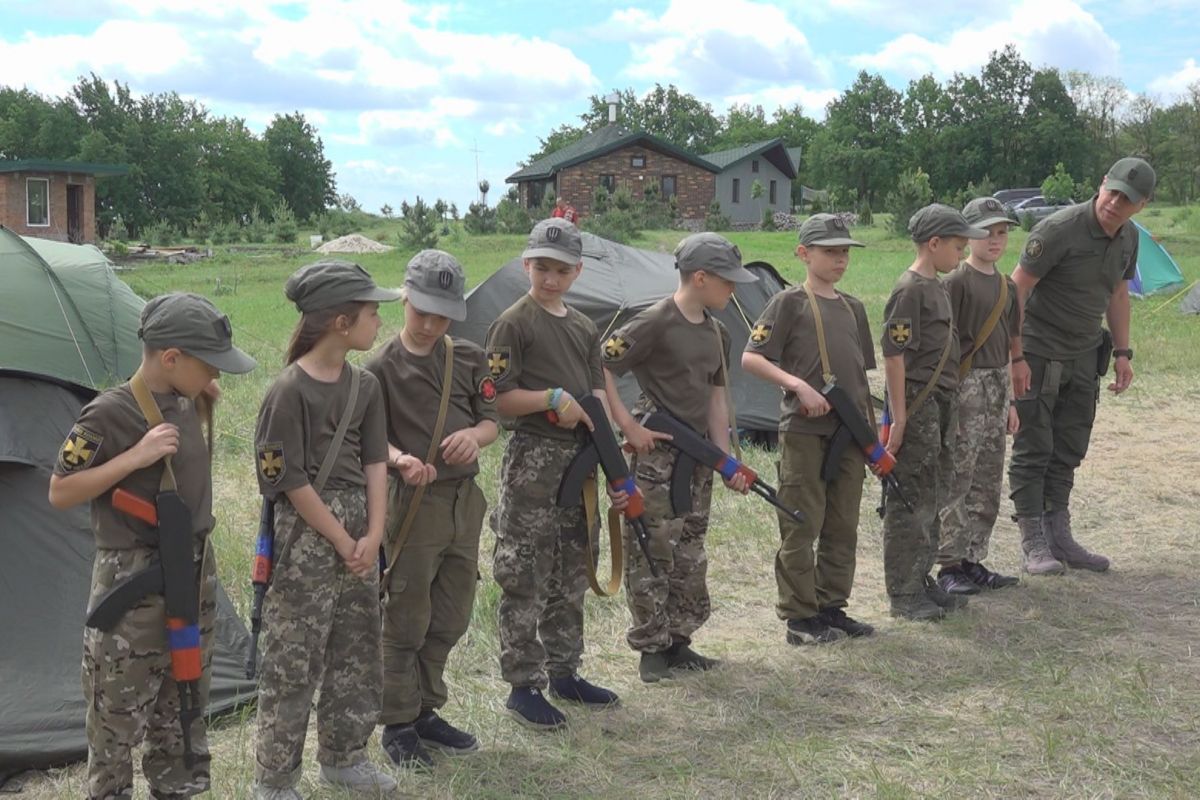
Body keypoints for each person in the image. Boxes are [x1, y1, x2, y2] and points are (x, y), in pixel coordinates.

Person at [48, 292, 257, 799]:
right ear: (171, 359)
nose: (217, 376)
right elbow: (60, 490)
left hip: (192, 577)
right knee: (116, 717)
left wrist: (201, 391)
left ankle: (179, 788)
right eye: (209, 364)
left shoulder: (186, 395)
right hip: (134, 587)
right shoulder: (110, 413)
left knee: (183, 704)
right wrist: (134, 457)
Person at [251, 260, 400, 800]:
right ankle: (274, 778)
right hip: (307, 540)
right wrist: (343, 540)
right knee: (293, 660)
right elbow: (287, 480)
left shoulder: (366, 385)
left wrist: (376, 534)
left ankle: (344, 758)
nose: (379, 322)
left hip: (362, 530)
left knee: (357, 652)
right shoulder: (286, 391)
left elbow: (375, 461)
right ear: (341, 323)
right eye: (371, 312)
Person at [365, 250, 499, 767]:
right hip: (413, 504)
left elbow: (491, 420)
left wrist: (473, 436)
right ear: (404, 296)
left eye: (441, 315)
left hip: (464, 503)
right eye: (421, 311)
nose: (429, 324)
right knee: (404, 615)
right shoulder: (379, 368)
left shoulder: (467, 358)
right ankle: (397, 722)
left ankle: (426, 709)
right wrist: (401, 460)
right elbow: (370, 441)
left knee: (451, 612)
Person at [485, 218, 619, 731]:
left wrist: (607, 446)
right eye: (542, 267)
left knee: (573, 565)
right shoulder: (513, 323)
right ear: (526, 264)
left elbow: (596, 394)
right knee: (525, 569)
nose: (550, 278)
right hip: (534, 459)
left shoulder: (584, 327)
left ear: (578, 272)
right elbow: (497, 400)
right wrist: (549, 400)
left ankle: (565, 672)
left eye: (561, 270)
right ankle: (523, 685)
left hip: (579, 461)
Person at [601, 232, 753, 682]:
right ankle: (651, 650)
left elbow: (716, 398)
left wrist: (724, 459)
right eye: (728, 281)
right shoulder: (655, 321)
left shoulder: (717, 331)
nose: (734, 290)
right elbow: (600, 365)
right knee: (653, 550)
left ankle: (679, 642)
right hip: (659, 458)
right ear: (701, 278)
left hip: (699, 459)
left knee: (690, 551)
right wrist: (628, 426)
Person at [1008, 158, 1154, 574]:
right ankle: (1033, 540)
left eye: (1127, 199)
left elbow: (1118, 295)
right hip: (1038, 352)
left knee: (1069, 447)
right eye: (1113, 191)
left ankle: (1060, 535)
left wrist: (1123, 353)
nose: (1114, 203)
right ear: (1102, 182)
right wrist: (1014, 357)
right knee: (1033, 447)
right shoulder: (1058, 230)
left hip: (1084, 356)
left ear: (1140, 205)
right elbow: (1016, 291)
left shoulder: (1129, 237)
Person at [741, 214, 877, 644]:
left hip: (850, 432)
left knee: (842, 523)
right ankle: (800, 617)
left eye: (844, 252)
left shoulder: (853, 307)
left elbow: (860, 375)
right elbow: (752, 358)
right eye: (830, 251)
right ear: (804, 253)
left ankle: (832, 606)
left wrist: (874, 435)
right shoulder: (788, 303)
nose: (840, 259)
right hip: (805, 430)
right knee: (801, 522)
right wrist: (797, 385)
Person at [880, 205, 987, 622]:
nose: (961, 253)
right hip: (918, 404)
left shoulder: (937, 286)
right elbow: (894, 357)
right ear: (934, 243)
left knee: (933, 494)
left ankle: (920, 577)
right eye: (958, 245)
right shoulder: (909, 289)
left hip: (941, 402)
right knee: (910, 498)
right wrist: (900, 419)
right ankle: (903, 592)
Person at [935, 198, 1023, 594]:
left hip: (997, 386)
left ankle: (973, 557)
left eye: (1002, 232)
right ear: (967, 236)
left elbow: (1009, 343)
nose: (995, 240)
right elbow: (942, 342)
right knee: (959, 474)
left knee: (987, 475)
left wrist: (1011, 403)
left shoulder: (1008, 287)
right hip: (964, 385)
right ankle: (949, 563)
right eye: (986, 232)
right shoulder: (955, 282)